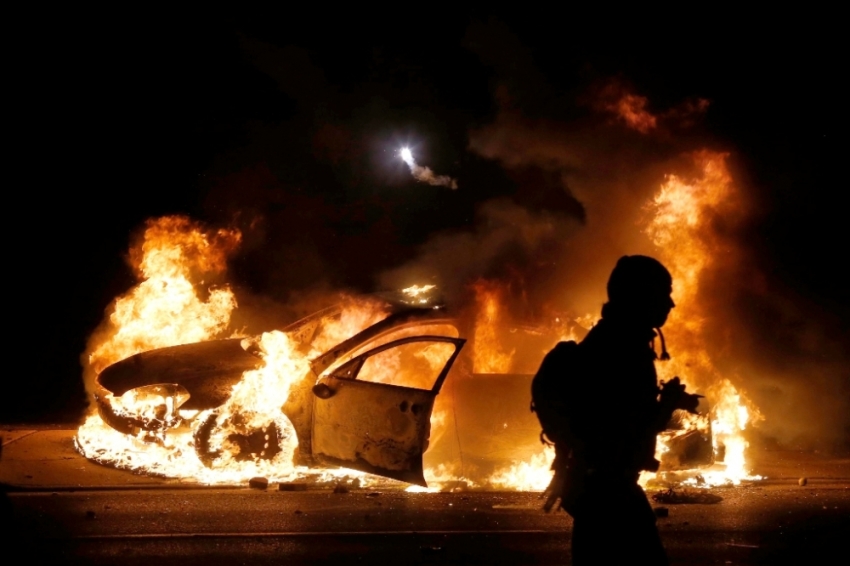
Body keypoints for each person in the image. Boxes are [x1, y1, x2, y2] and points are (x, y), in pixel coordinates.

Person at [540, 255, 699, 565]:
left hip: (601, 492)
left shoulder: (618, 341)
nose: (671, 303)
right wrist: (665, 406)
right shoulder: (619, 348)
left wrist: (667, 403)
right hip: (609, 496)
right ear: (641, 296)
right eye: (663, 292)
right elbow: (622, 427)